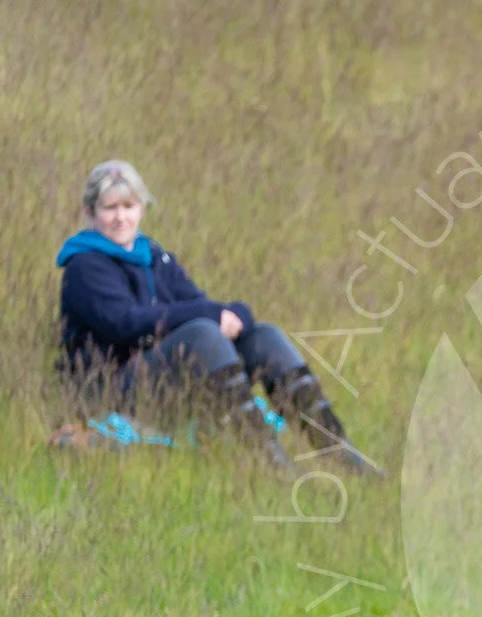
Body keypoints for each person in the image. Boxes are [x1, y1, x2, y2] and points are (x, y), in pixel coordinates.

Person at [56, 160, 373, 473]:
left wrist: (237, 314)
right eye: (110, 208)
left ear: (141, 209)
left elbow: (199, 304)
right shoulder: (84, 266)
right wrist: (211, 314)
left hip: (164, 379)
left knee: (263, 336)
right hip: (110, 388)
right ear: (90, 213)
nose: (121, 217)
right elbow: (124, 323)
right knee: (203, 334)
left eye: (129, 206)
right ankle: (271, 460)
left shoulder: (154, 257)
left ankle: (337, 448)